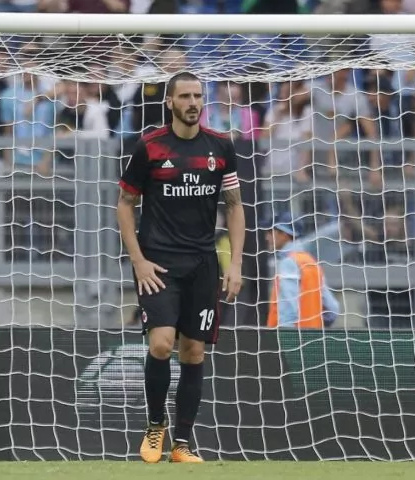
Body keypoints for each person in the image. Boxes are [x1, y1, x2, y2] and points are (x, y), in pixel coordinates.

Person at [116, 71, 246, 463]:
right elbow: (125, 205)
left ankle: (183, 444)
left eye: (198, 96)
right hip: (158, 263)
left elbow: (235, 207)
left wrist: (236, 263)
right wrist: (137, 261)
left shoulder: (221, 146)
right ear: (169, 102)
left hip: (203, 263)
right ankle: (156, 426)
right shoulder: (150, 146)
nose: (193, 103)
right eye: (185, 96)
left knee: (193, 352)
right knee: (160, 343)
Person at [265, 213, 340, 328]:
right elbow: (333, 309)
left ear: (284, 234)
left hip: (291, 341)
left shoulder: (289, 262)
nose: (267, 237)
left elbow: (288, 312)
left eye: (270, 232)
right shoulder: (311, 262)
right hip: (313, 341)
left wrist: (287, 340)